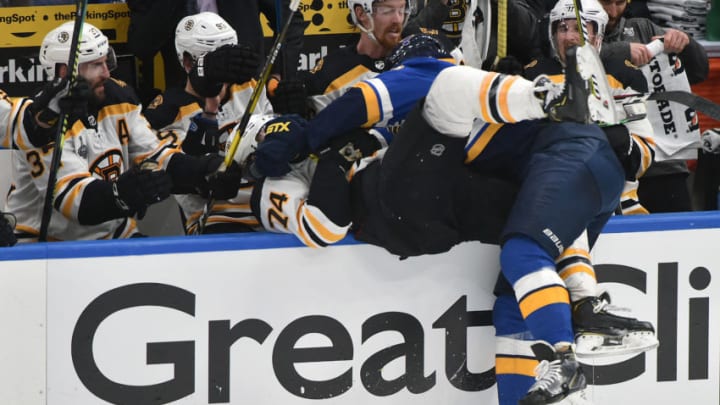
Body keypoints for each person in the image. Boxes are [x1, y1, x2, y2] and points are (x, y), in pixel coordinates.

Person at [247, 33, 655, 403]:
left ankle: (581, 311)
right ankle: (548, 97)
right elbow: (324, 226)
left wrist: (347, 142)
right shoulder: (285, 170)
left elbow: (386, 135)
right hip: (392, 205)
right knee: (447, 92)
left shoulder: (388, 130)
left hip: (444, 209)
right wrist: (331, 155)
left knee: (530, 237)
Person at [5, 21, 242, 242]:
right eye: (96, 65)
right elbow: (75, 203)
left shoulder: (119, 100)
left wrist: (203, 171)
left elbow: (158, 157)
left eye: (106, 62)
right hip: (47, 244)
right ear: (64, 72)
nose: (107, 73)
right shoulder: (42, 123)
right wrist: (123, 194)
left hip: (115, 236)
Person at [143, 11, 271, 234]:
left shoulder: (249, 86)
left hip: (267, 203)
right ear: (187, 61)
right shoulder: (166, 111)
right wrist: (210, 108)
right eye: (214, 59)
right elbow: (184, 170)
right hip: (216, 216)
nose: (226, 67)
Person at [600, 0, 709, 213]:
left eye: (619, 2)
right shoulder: (570, 31)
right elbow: (572, 60)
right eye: (605, 3)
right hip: (608, 167)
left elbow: (699, 72)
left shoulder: (643, 27)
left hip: (663, 163)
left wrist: (686, 44)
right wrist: (621, 52)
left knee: (680, 236)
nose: (613, 12)